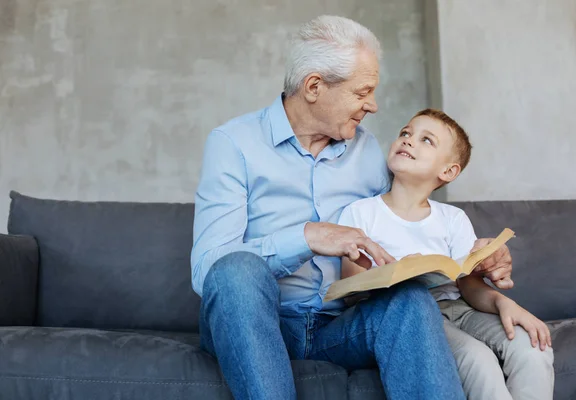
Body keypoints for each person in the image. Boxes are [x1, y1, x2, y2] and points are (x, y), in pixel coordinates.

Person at [191, 15, 513, 399]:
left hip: (339, 325)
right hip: (258, 323)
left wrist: (479, 255)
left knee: (408, 299)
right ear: (314, 87)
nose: (373, 106)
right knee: (236, 270)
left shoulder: (367, 152)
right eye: (362, 92)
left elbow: (408, 218)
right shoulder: (233, 143)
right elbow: (208, 269)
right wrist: (307, 236)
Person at [338, 108, 554, 399]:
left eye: (426, 140)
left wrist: (502, 303)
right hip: (415, 317)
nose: (409, 140)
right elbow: (350, 291)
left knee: (533, 346)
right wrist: (398, 272)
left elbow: (468, 284)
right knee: (477, 360)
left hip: (461, 309)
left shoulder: (453, 218)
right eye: (405, 132)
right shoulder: (361, 213)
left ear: (448, 171)